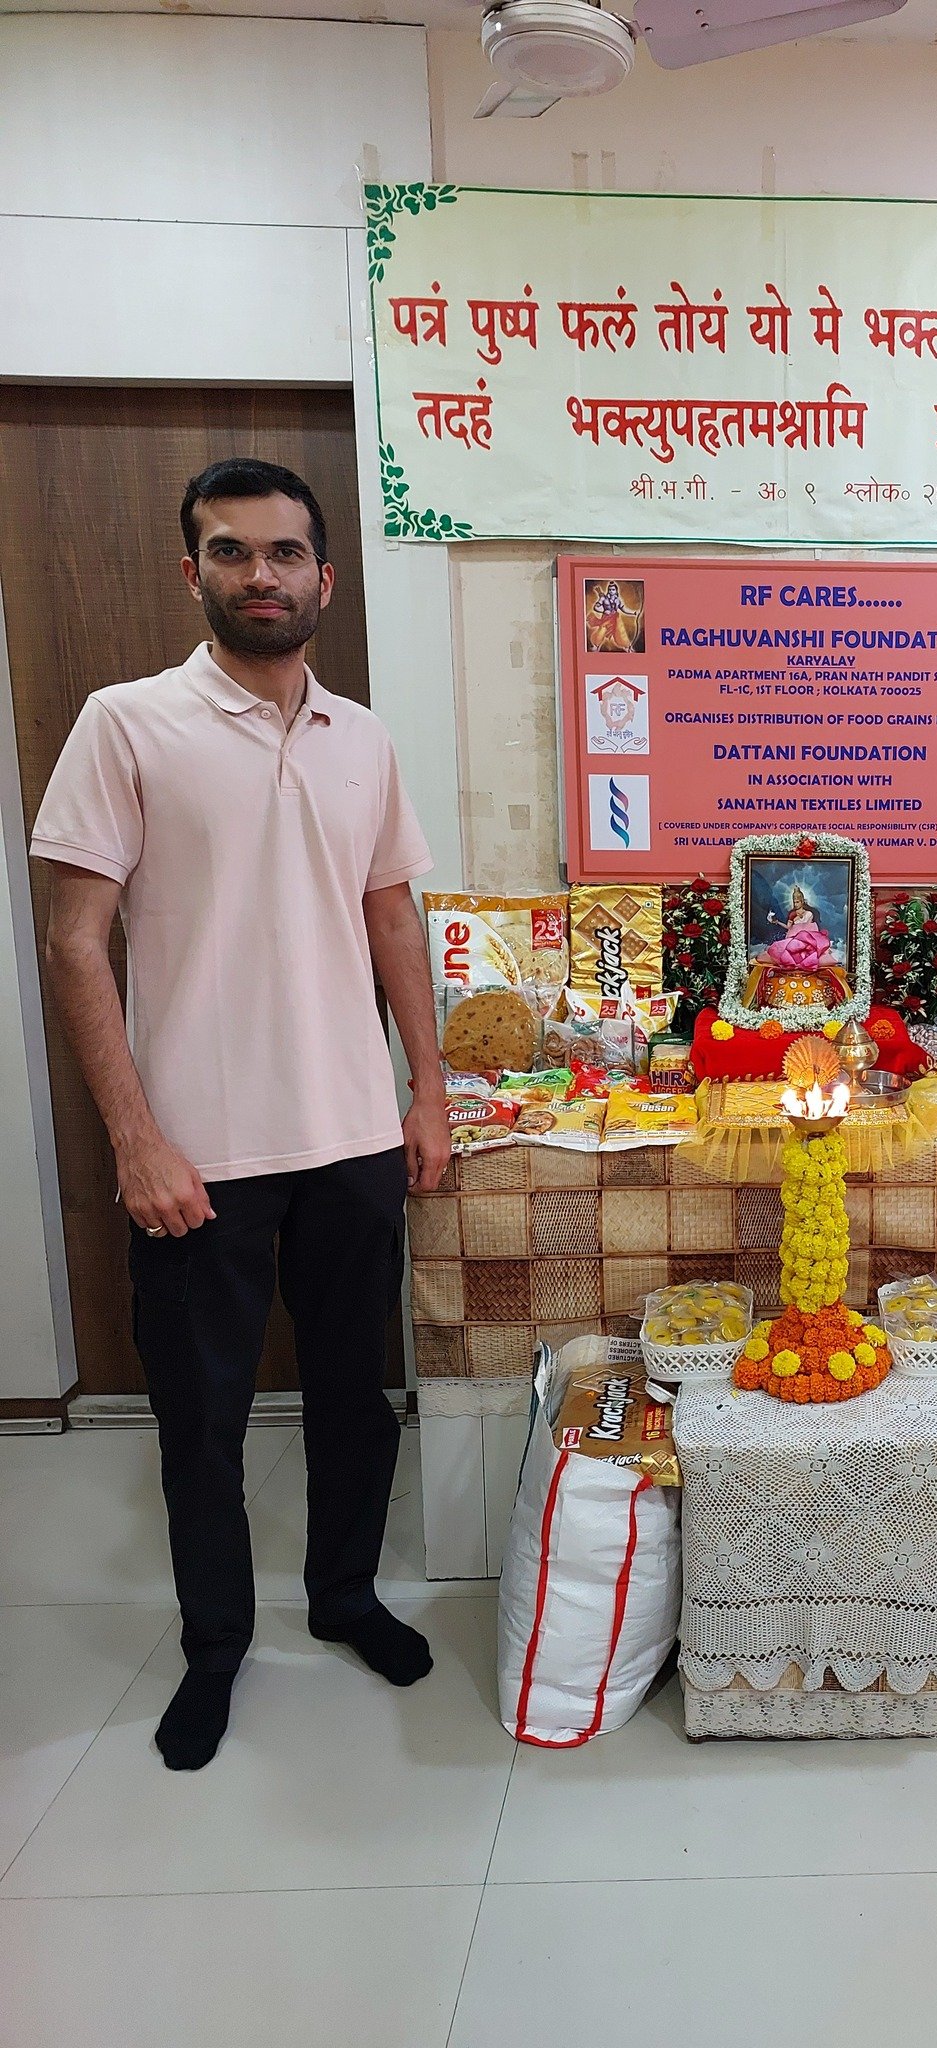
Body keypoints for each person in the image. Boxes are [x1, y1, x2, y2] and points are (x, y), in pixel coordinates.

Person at [31, 458, 451, 1771]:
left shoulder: (362, 737)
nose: (259, 574)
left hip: (353, 1135)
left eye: (282, 553)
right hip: (196, 1153)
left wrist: (427, 1090)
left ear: (325, 578)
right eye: (231, 551)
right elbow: (74, 941)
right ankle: (214, 1645)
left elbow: (392, 916)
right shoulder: (126, 723)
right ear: (193, 571)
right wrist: (135, 1137)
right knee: (202, 1420)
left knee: (355, 1395)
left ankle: (344, 1596)